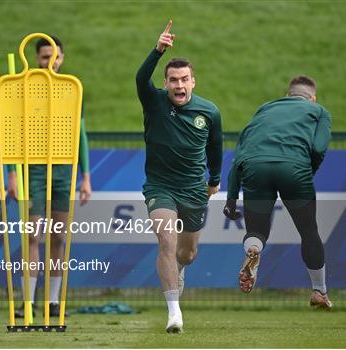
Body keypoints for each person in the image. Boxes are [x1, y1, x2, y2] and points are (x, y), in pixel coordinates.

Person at [135, 20, 223, 333]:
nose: (178, 85)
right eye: (173, 80)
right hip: (160, 187)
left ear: (193, 82)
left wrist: (214, 179)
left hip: (194, 189)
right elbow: (140, 77)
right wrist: (158, 50)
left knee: (187, 252)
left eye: (184, 79)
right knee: (166, 242)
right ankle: (174, 312)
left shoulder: (209, 112)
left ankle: (180, 268)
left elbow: (215, 148)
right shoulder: (154, 102)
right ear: (166, 83)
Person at [224, 75, 333, 310]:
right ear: (312, 98)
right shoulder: (319, 111)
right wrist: (305, 171)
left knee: (256, 231)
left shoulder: (265, 109)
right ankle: (319, 291)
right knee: (309, 232)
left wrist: (231, 197)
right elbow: (319, 147)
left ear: (287, 95)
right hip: (294, 168)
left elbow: (240, 153)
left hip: (254, 166)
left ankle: (253, 250)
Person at [6, 36, 92, 318]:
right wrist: (12, 174)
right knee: (32, 236)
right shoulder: (24, 89)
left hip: (64, 169)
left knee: (58, 237)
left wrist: (86, 176)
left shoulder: (71, 89)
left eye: (55, 57)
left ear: (62, 58)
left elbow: (80, 134)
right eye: (45, 57)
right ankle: (27, 302)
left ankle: (53, 302)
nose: (51, 62)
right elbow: (10, 131)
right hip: (33, 169)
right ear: (36, 59)